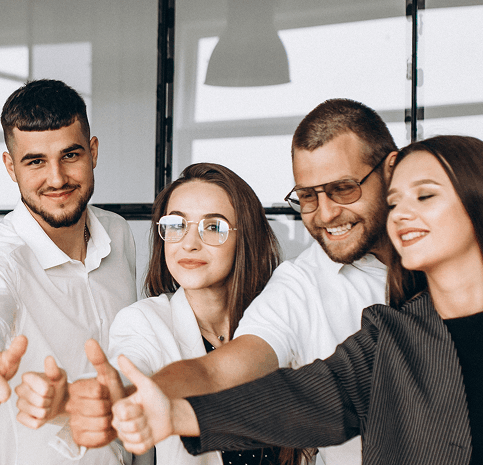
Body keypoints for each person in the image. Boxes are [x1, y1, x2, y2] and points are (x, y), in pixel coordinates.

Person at [111, 135, 483, 465]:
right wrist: (175, 413)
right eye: (395, 202)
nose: (401, 214)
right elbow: (301, 398)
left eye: (425, 196)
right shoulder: (392, 335)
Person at [65, 98, 398, 465]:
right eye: (307, 196)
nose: (327, 212)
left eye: (344, 188)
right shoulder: (297, 288)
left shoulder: (433, 263)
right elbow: (215, 372)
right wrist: (130, 397)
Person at [0, 79, 138, 464]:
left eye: (70, 155)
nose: (57, 178)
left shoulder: (118, 232)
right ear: (10, 167)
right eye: (35, 161)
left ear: (93, 152)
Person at [92, 163, 305, 465]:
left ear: (246, 237)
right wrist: (110, 398)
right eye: (176, 225)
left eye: (213, 227)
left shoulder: (281, 317)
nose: (189, 244)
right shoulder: (144, 322)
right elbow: (131, 374)